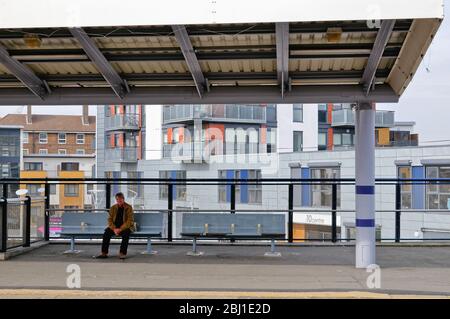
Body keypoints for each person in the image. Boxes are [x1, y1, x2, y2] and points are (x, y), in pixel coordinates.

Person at [95, 192, 135, 259]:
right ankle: (104, 253)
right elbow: (109, 220)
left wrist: (120, 229)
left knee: (126, 234)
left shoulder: (129, 207)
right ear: (116, 200)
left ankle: (122, 253)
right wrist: (114, 229)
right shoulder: (113, 208)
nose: (119, 201)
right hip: (115, 227)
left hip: (125, 227)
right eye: (117, 200)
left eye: (120, 200)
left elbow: (130, 221)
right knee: (106, 234)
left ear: (123, 199)